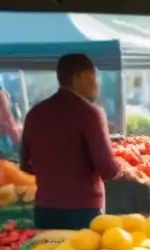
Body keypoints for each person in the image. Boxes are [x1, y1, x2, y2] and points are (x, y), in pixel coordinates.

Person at [20, 54, 120, 229]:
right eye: (93, 76)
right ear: (78, 76)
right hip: (83, 213)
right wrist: (122, 168)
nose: (97, 83)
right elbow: (108, 170)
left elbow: (26, 165)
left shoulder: (34, 114)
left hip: (45, 211)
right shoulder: (90, 114)